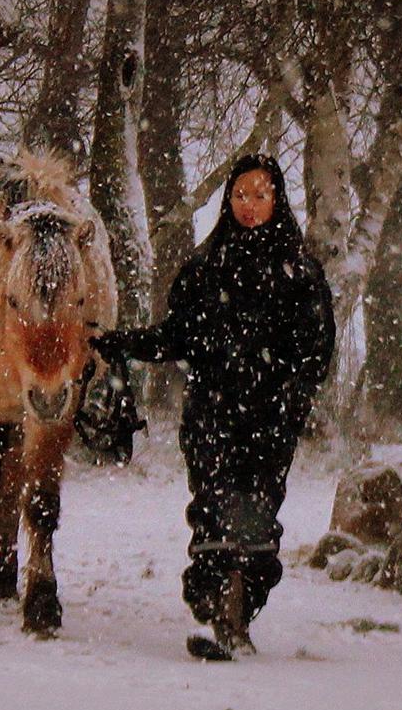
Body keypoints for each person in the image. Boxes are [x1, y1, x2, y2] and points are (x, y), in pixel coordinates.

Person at [91, 154, 335, 660]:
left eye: (260, 195)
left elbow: (316, 350)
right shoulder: (207, 267)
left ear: (277, 201)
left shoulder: (300, 274)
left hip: (270, 421)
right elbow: (177, 336)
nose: (250, 206)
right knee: (214, 513)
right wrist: (123, 343)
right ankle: (222, 610)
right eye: (241, 195)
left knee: (254, 518)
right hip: (213, 416)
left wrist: (292, 399)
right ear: (229, 200)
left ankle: (234, 620)